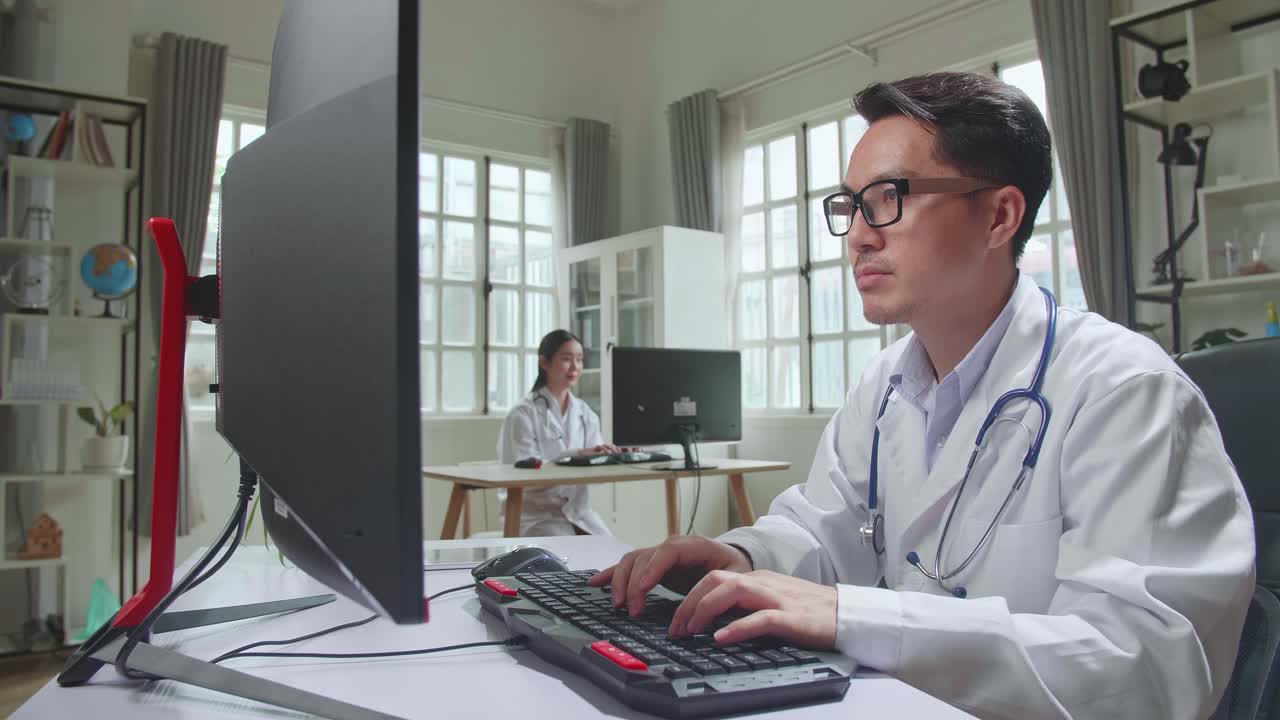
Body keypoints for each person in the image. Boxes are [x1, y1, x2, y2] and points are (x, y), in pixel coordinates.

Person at [590, 72, 1254, 718]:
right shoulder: (883, 385)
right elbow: (825, 532)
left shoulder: (1125, 392)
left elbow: (1142, 670)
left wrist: (856, 617)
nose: (858, 235)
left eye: (888, 198)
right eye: (851, 205)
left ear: (999, 216)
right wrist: (741, 559)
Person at [497, 329, 619, 536]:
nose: (575, 367)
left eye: (579, 359)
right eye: (566, 359)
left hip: (579, 514)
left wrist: (607, 457)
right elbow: (523, 471)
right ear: (544, 362)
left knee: (615, 551)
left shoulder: (585, 413)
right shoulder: (522, 414)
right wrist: (578, 455)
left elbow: (597, 475)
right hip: (535, 516)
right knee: (567, 552)